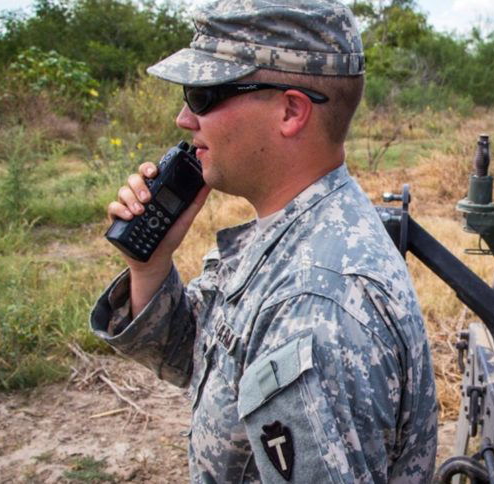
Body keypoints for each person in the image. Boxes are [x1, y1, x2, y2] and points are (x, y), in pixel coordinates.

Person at [90, 0, 438, 481]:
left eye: (203, 94)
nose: (184, 119)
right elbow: (195, 360)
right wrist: (150, 266)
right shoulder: (288, 229)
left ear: (291, 111)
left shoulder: (315, 305)